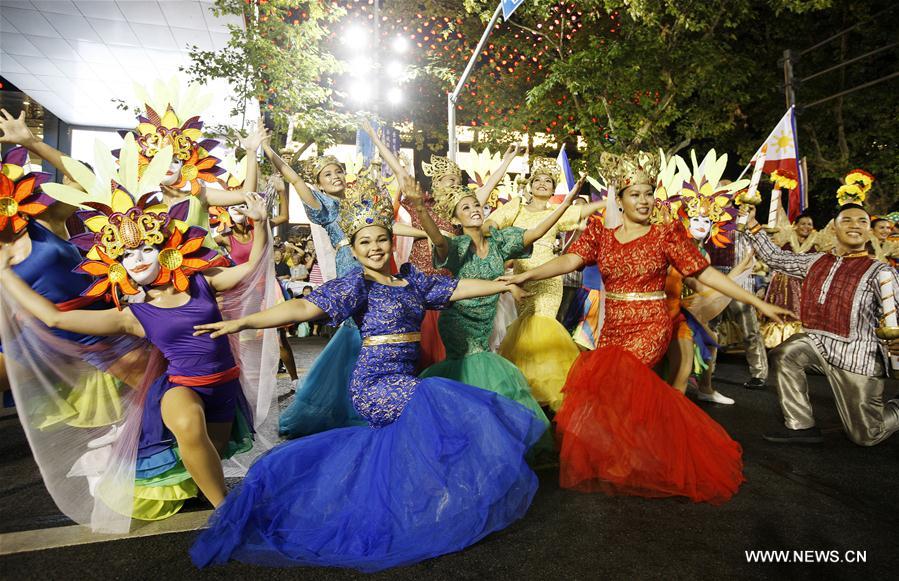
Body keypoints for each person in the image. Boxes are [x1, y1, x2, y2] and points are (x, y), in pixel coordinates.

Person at [189, 187, 544, 572]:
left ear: (391, 243)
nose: (374, 248)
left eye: (380, 240)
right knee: (441, 401)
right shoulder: (357, 285)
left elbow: (458, 288)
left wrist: (502, 285)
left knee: (405, 441)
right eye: (365, 243)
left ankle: (413, 509)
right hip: (375, 384)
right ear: (354, 251)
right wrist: (244, 320)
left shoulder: (414, 282)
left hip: (402, 378)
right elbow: (302, 307)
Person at [1, 142, 278, 530]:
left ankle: (195, 487)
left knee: (207, 453)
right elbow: (55, 319)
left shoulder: (202, 282)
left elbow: (248, 272)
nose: (140, 258)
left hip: (225, 387)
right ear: (116, 267)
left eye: (147, 247)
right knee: (186, 426)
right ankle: (228, 514)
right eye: (128, 256)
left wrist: (261, 223)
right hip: (182, 387)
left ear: (165, 249)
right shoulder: (132, 315)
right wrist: (4, 275)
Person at [501, 153, 794, 503]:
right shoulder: (600, 235)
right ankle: (631, 455)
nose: (643, 200)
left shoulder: (665, 235)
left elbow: (704, 273)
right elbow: (568, 260)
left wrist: (758, 302)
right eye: (635, 194)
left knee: (623, 381)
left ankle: (647, 458)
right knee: (616, 394)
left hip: (651, 322)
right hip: (615, 323)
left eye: (647, 193)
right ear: (619, 199)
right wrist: (528, 273)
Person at [407, 173, 584, 426]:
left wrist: (565, 204)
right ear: (456, 219)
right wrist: (421, 209)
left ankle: (473, 427)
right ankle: (474, 429)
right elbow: (437, 238)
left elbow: (534, 233)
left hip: (485, 320)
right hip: (460, 323)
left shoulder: (499, 242)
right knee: (475, 372)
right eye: (466, 208)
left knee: (480, 373)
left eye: (476, 205)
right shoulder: (457, 247)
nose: (474, 210)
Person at [742, 172, 899, 446]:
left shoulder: (880, 270)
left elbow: (894, 311)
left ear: (868, 230)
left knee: (866, 436)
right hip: (818, 342)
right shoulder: (815, 261)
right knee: (785, 353)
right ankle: (801, 425)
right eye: (846, 220)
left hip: (857, 356)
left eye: (862, 221)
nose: (854, 225)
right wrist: (753, 224)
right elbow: (776, 258)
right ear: (833, 229)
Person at [362, 120, 526, 369]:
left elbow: (489, 185)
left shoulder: (460, 208)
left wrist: (506, 161)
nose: (455, 183)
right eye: (449, 179)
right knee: (421, 346)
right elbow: (400, 175)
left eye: (456, 179)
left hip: (449, 283)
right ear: (436, 182)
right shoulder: (421, 204)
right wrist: (376, 140)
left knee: (451, 349)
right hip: (422, 278)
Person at [486, 157, 605, 410]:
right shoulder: (515, 208)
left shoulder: (556, 211)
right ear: (529, 185)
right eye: (537, 179)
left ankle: (546, 394)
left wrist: (613, 199)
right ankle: (526, 389)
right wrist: (498, 237)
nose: (542, 184)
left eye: (548, 181)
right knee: (525, 329)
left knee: (544, 326)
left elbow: (582, 211)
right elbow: (490, 225)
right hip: (521, 274)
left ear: (553, 189)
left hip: (549, 278)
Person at [760, 212, 817, 348]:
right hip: (782, 285)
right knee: (781, 312)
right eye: (803, 223)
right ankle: (775, 340)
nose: (806, 227)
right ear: (795, 226)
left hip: (804, 285)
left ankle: (798, 342)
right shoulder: (784, 240)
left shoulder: (816, 245)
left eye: (809, 224)